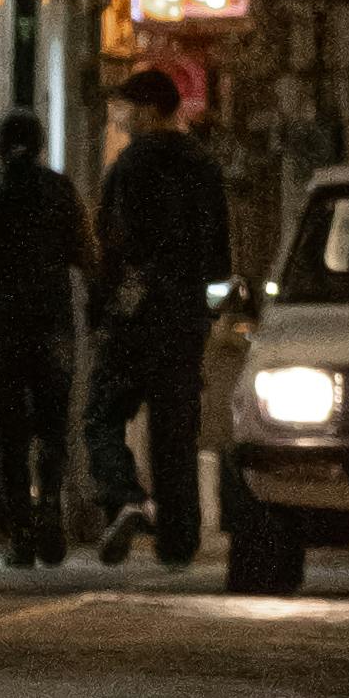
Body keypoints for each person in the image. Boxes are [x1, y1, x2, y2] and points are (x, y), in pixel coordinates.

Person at [84, 66, 236, 571]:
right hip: (184, 316)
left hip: (135, 315)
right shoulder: (204, 166)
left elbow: (111, 242)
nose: (120, 116)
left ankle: (125, 496)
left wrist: (104, 306)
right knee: (175, 432)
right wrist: (204, 311)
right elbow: (220, 259)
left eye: (127, 107)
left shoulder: (130, 166)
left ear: (150, 109)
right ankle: (178, 540)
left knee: (102, 413)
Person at [0, 109, 93, 567]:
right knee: (53, 428)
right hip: (51, 323)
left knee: (9, 434)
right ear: (40, 144)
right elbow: (85, 251)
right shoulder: (60, 189)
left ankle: (20, 534)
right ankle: (52, 513)